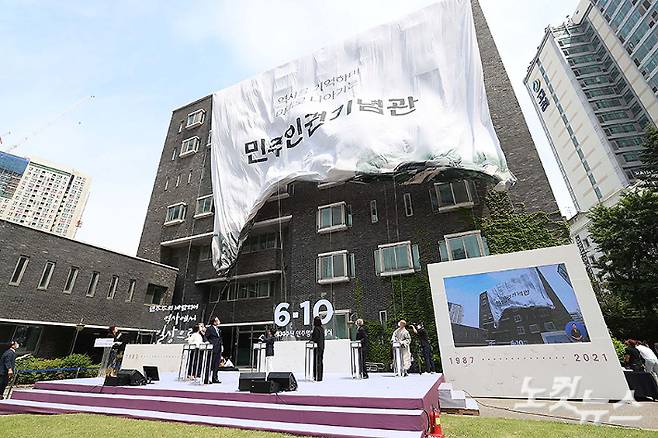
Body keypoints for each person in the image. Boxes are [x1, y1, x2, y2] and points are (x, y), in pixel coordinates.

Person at [206, 316, 223, 384]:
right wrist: (208, 343)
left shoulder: (218, 330)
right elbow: (205, 337)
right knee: (210, 364)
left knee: (216, 364)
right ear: (214, 322)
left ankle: (215, 378)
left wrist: (221, 345)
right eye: (217, 320)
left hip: (218, 348)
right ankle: (207, 378)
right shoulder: (210, 328)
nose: (219, 321)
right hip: (212, 348)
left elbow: (220, 338)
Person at [311, 316, 325, 381]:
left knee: (316, 361)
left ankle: (316, 376)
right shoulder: (322, 329)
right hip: (322, 347)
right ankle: (320, 376)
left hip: (317, 347)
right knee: (320, 361)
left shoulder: (316, 329)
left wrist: (312, 340)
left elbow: (315, 338)